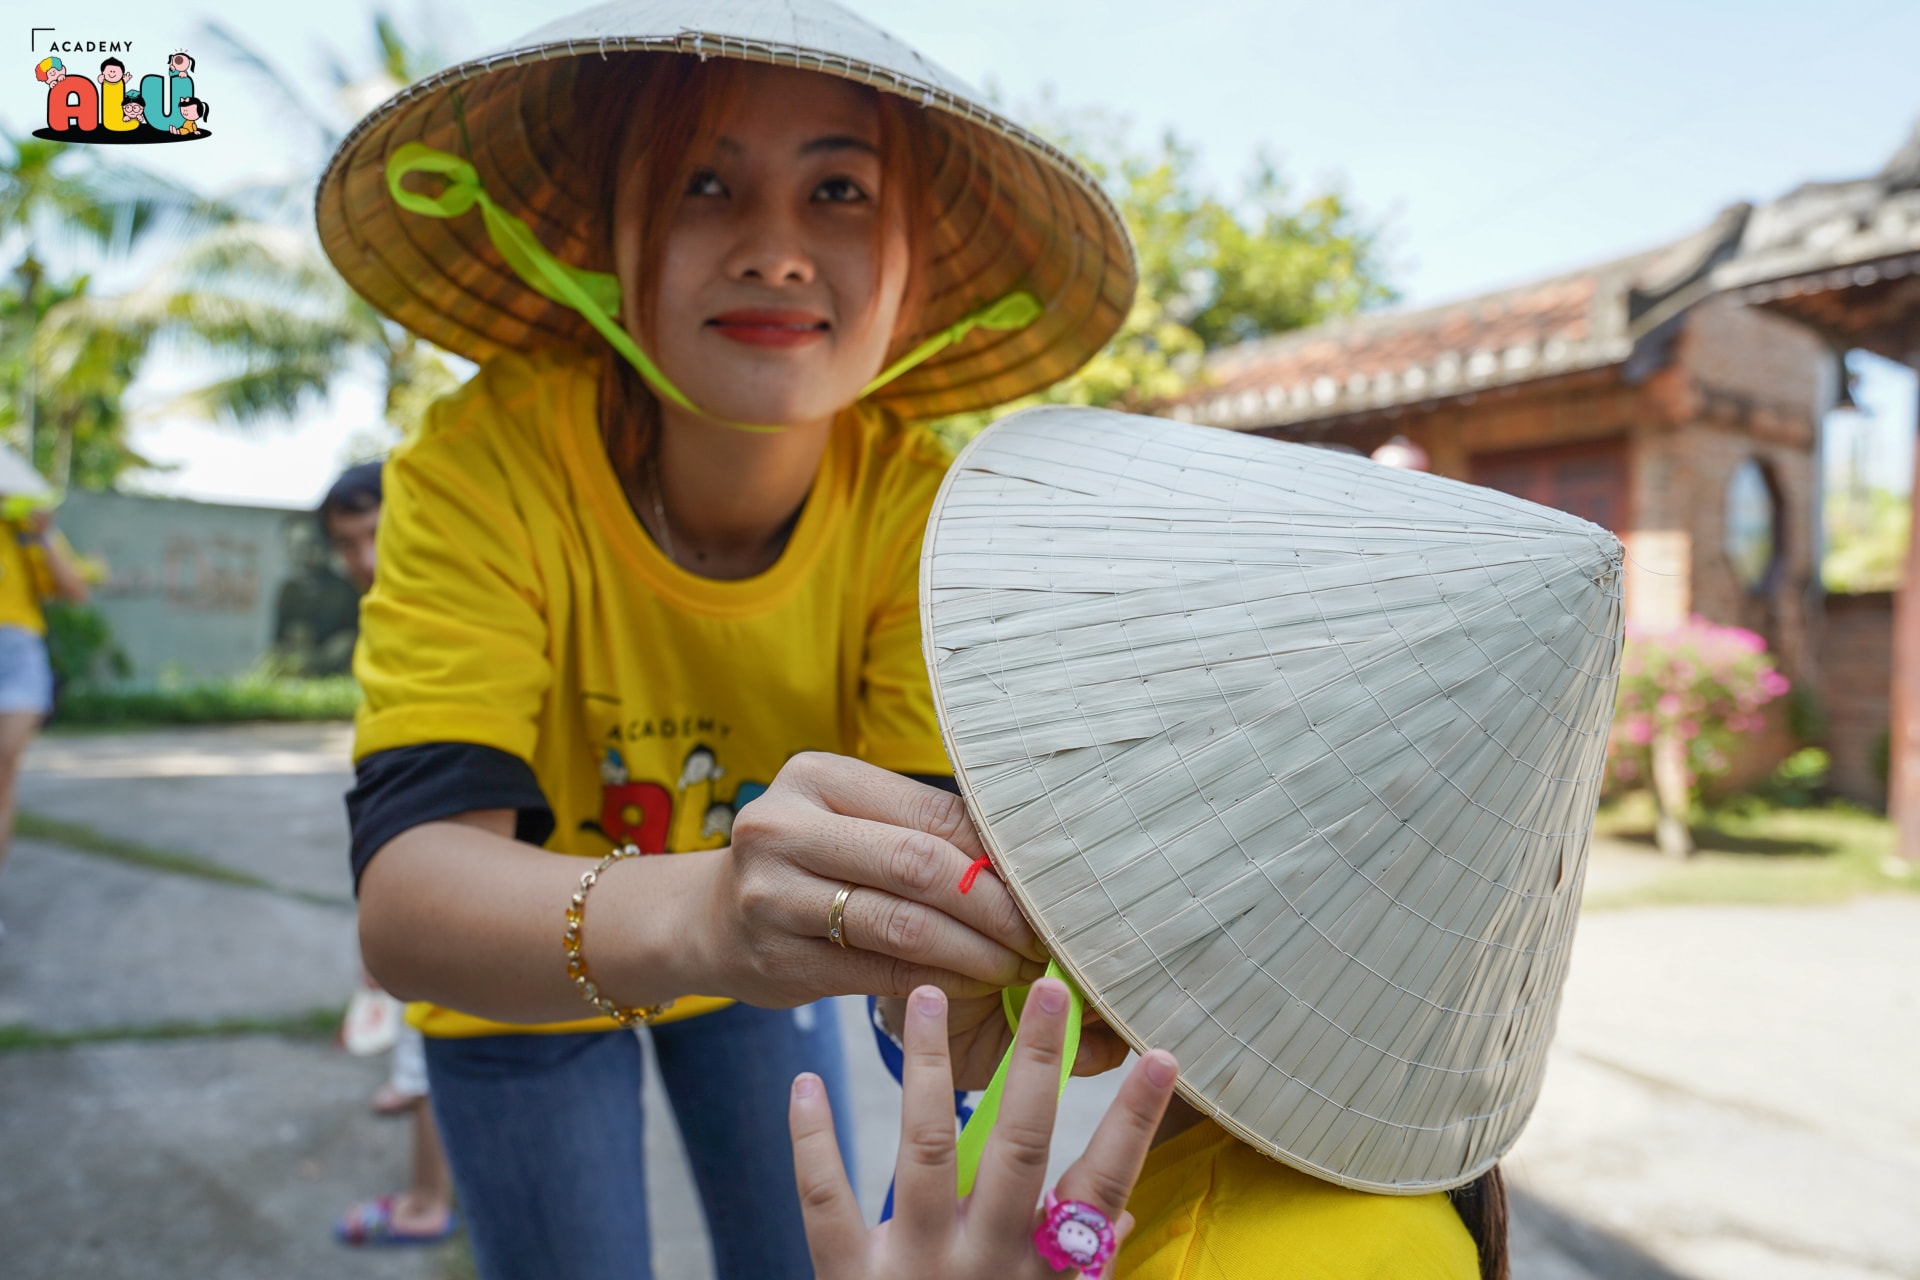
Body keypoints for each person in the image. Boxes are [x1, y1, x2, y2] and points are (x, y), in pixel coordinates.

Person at [313, 3, 1135, 1277]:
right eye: (705, 182)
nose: (777, 250)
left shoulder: (927, 514)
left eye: (841, 188)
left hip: (759, 964)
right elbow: (412, 897)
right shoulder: (477, 466)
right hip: (519, 961)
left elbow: (930, 867)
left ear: (919, 266)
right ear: (610, 228)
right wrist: (708, 912)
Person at [318, 462, 457, 1248]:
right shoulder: (392, 611)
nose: (365, 559)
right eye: (347, 544)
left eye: (376, 533)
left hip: (451, 858)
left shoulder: (444, 600)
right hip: (408, 844)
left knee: (437, 1021)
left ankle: (427, 1201)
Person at [0, 504, 89, 942]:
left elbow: (74, 590)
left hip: (17, 653)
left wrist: (44, 535)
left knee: (3, 771)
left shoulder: (23, 526)